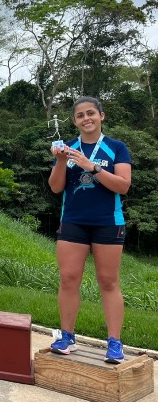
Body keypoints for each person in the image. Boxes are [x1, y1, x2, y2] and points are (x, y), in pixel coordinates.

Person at [48, 96, 131, 364]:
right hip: (73, 221)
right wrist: (61, 161)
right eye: (81, 115)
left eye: (91, 113)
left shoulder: (116, 147)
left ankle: (115, 343)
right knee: (69, 279)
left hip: (108, 221)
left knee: (108, 282)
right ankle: (67, 336)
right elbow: (55, 187)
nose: (86, 118)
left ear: (101, 116)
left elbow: (123, 185)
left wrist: (91, 167)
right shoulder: (67, 147)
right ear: (75, 121)